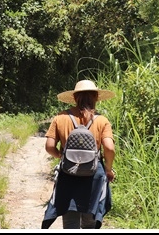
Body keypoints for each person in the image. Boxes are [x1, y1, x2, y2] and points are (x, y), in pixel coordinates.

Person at [42, 79, 116, 229]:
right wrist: (108, 169)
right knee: (89, 222)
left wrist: (61, 157)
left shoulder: (60, 118)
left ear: (75, 98)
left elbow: (49, 147)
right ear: (96, 98)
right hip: (93, 176)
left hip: (68, 173)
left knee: (70, 223)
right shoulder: (102, 120)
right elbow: (109, 148)